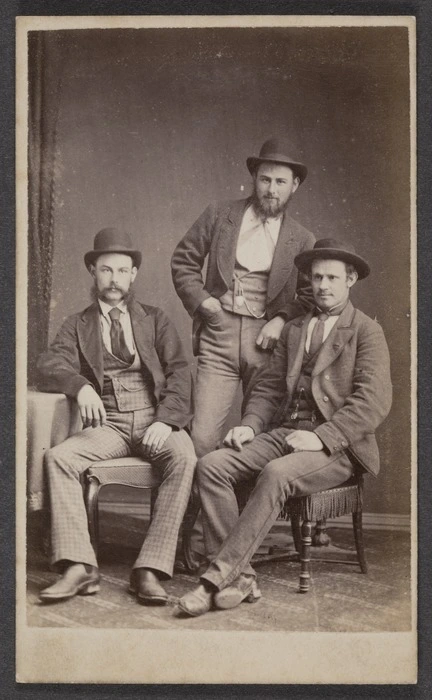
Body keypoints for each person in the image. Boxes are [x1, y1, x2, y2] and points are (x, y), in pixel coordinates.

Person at [177, 239, 392, 616]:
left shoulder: (365, 331)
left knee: (276, 474)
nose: (322, 285)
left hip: (337, 448)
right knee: (212, 465)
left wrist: (321, 436)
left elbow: (372, 402)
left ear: (351, 279)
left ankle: (216, 578)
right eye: (316, 277)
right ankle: (242, 577)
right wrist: (249, 425)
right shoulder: (294, 330)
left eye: (332, 277)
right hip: (285, 432)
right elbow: (268, 388)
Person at [37, 228, 196, 605]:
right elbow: (48, 365)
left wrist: (165, 420)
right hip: (107, 424)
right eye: (106, 270)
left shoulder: (154, 320)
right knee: (59, 457)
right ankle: (79, 566)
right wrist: (81, 386)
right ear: (93, 271)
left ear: (134, 274)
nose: (114, 280)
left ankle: (150, 568)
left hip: (154, 418)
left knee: (185, 457)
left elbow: (180, 372)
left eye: (122, 271)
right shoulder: (78, 324)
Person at [171, 137, 316, 459]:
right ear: (254, 179)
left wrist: (279, 320)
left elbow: (308, 294)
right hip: (218, 333)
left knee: (256, 435)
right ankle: (195, 510)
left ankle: (239, 510)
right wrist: (202, 301)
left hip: (266, 343)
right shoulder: (221, 214)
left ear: (295, 186)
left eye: (281, 182)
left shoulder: (303, 238)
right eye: (265, 179)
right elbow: (184, 261)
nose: (271, 189)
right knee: (203, 437)